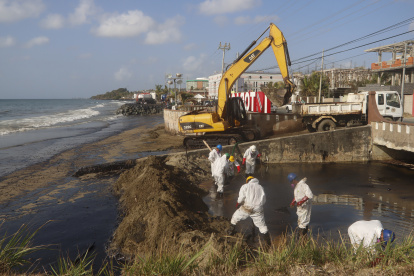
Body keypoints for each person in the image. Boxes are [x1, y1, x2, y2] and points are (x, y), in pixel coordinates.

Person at [228, 176, 270, 246]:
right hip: (258, 208)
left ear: (247, 181)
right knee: (262, 226)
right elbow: (264, 200)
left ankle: (230, 232)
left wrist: (238, 202)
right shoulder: (260, 187)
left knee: (235, 217)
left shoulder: (245, 186)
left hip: (247, 207)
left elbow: (240, 199)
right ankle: (268, 243)